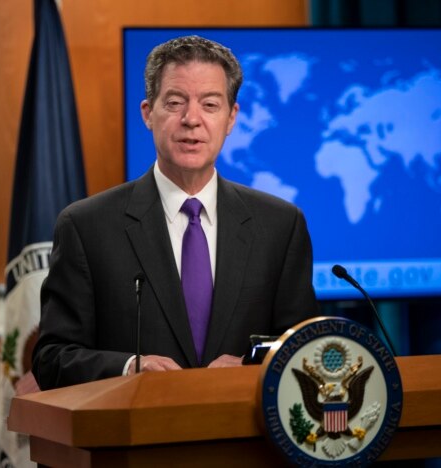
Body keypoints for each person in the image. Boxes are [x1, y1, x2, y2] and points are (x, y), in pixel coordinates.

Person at [32, 35, 318, 389]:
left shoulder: (280, 225)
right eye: (175, 102)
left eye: (210, 105)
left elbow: (306, 351)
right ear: (148, 114)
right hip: (136, 435)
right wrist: (130, 367)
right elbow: (52, 359)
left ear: (231, 118)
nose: (191, 119)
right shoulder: (86, 227)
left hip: (245, 436)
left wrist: (250, 366)